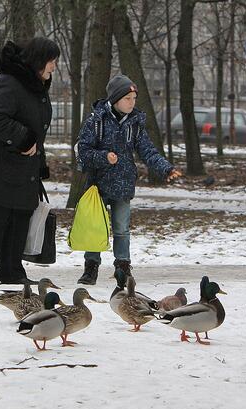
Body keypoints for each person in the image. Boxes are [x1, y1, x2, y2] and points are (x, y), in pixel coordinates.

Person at [0, 38, 60, 285]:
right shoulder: (9, 83)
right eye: (52, 61)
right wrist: (24, 140)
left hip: (23, 169)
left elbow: (37, 128)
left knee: (19, 219)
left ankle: (11, 272)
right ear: (39, 61)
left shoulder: (35, 87)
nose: (54, 67)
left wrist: (39, 162)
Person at [76, 74, 182, 285]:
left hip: (123, 184)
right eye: (128, 99)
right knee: (95, 226)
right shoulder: (96, 121)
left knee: (122, 229)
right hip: (98, 184)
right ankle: (91, 267)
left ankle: (122, 268)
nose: (132, 103)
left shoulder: (135, 124)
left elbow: (148, 151)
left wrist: (165, 169)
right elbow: (83, 150)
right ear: (115, 100)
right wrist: (104, 157)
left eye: (134, 99)